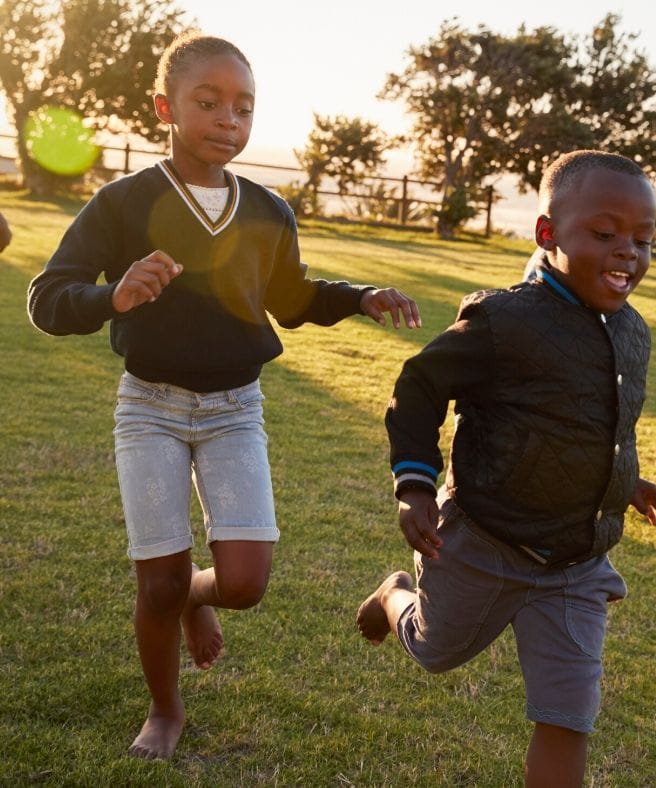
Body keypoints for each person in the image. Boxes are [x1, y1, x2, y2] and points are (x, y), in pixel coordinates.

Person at [27, 32, 421, 761]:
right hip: (149, 407)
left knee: (243, 582)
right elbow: (47, 299)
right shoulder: (122, 202)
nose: (227, 120)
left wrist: (360, 296)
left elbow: (294, 297)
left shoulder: (270, 210)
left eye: (243, 107)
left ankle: (195, 605)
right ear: (165, 108)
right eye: (207, 103)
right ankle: (166, 709)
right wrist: (114, 295)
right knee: (158, 582)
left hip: (236, 410)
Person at [357, 150, 656, 786]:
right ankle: (393, 597)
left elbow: (603, 422)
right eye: (606, 233)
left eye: (643, 240)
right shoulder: (503, 321)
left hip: (577, 563)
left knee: (568, 716)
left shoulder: (632, 331)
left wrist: (625, 480)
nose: (628, 253)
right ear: (547, 234)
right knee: (434, 650)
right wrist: (415, 485)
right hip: (485, 539)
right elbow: (420, 386)